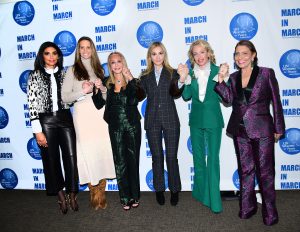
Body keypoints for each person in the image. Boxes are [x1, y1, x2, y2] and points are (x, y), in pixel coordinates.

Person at [215, 40, 285, 226]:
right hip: (240, 131)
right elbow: (228, 99)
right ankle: (247, 207)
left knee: (265, 173)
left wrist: (279, 128)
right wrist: (221, 80)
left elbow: (276, 102)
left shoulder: (266, 73)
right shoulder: (234, 77)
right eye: (237, 54)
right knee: (245, 170)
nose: (240, 57)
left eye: (244, 53)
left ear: (253, 55)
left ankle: (270, 213)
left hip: (262, 130)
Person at [61, 36, 115, 210]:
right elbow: (65, 97)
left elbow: (106, 98)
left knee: (102, 149)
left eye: (88, 47)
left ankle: (102, 190)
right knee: (88, 151)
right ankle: (93, 191)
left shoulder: (99, 69)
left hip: (99, 114)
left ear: (93, 49)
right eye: (82, 48)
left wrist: (104, 89)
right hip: (83, 115)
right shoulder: (72, 70)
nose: (85, 51)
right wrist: (82, 91)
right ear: (78, 50)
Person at [27, 41, 79, 214]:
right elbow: (32, 104)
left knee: (71, 157)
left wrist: (81, 93)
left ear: (58, 56)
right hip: (46, 122)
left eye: (54, 53)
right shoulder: (34, 75)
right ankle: (61, 196)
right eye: (47, 53)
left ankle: (72, 193)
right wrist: (37, 130)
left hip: (65, 119)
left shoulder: (65, 74)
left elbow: (69, 99)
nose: (51, 57)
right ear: (42, 56)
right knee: (51, 160)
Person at [177, 39, 224, 213]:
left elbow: (224, 97)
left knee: (212, 159)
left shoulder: (219, 70)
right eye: (195, 53)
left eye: (202, 52)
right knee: (198, 159)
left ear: (209, 53)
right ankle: (202, 194)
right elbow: (186, 97)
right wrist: (184, 79)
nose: (199, 56)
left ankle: (214, 200)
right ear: (192, 57)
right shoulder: (190, 72)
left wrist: (221, 80)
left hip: (213, 120)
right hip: (196, 120)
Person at [139, 42, 183, 206]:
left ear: (165, 55)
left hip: (171, 119)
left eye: (160, 53)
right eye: (154, 54)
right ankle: (159, 189)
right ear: (150, 56)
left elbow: (176, 93)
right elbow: (138, 96)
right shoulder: (145, 76)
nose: (157, 57)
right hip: (152, 120)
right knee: (157, 157)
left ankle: (175, 189)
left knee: (172, 157)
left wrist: (182, 79)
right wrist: (131, 81)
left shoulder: (173, 73)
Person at [99, 51, 144, 210]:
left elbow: (139, 96)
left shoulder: (132, 80)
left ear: (123, 63)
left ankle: (135, 195)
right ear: (109, 66)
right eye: (113, 62)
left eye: (119, 61)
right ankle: (125, 197)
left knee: (133, 161)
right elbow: (98, 103)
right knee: (120, 162)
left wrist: (131, 78)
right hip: (115, 127)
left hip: (132, 126)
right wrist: (100, 90)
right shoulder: (106, 83)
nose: (116, 65)